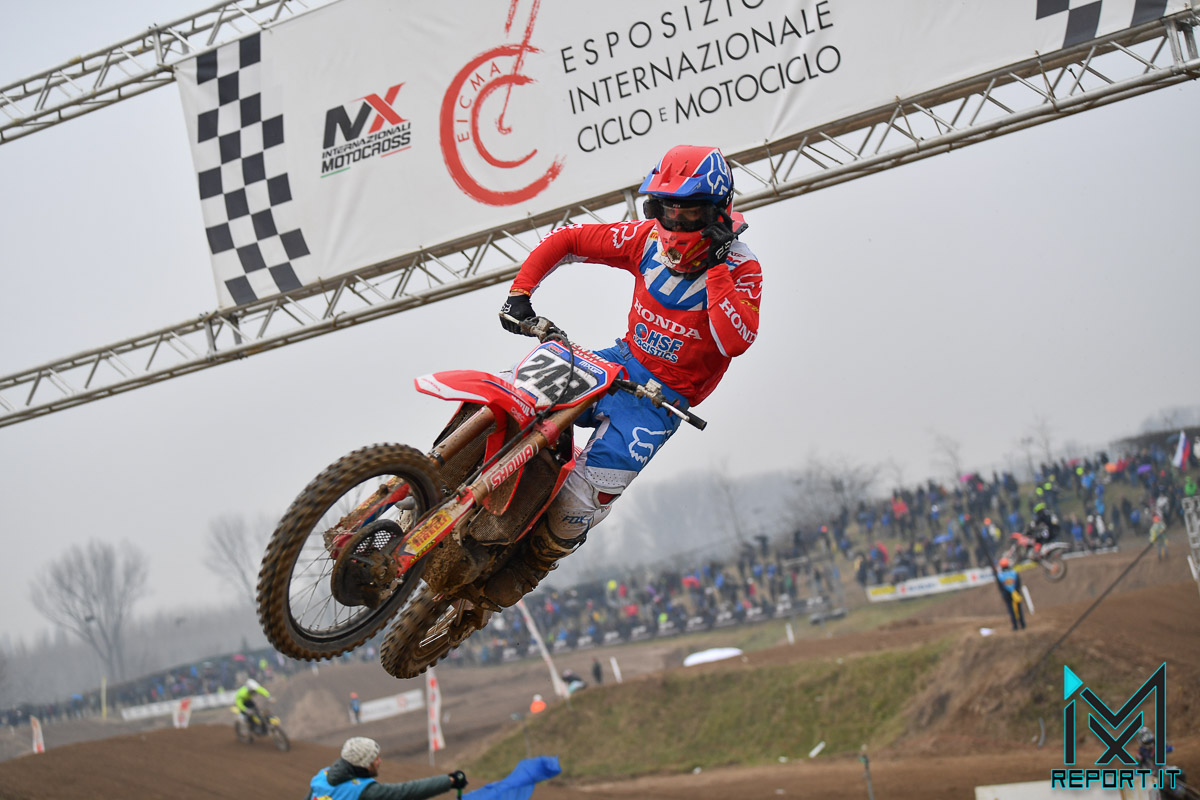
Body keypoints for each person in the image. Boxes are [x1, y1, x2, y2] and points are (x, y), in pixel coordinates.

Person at [485, 145, 761, 607]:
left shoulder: (742, 267)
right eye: (667, 209)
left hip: (661, 402)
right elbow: (569, 240)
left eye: (689, 212)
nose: (675, 222)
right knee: (512, 390)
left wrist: (715, 270)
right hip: (618, 362)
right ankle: (428, 485)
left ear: (718, 211)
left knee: (575, 504)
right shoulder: (645, 238)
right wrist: (520, 294)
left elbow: (735, 340)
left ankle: (530, 567)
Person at [309, 737, 466, 800]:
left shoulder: (321, 777)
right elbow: (406, 792)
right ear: (364, 763)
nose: (379, 761)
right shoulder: (363, 791)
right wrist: (449, 781)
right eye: (375, 759)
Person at [995, 557, 1025, 631]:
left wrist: (1005, 593)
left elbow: (1000, 587)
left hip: (1007, 594)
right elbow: (1018, 583)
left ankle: (1015, 626)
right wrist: (1016, 591)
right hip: (1016, 592)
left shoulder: (1000, 575)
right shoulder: (1014, 572)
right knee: (1019, 609)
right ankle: (1023, 624)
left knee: (1011, 610)